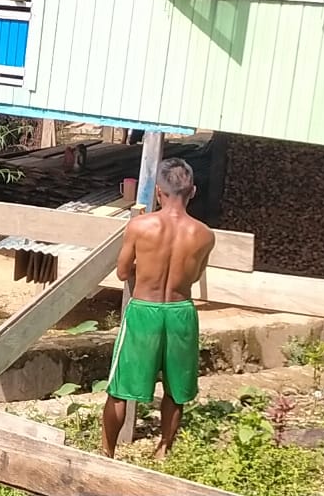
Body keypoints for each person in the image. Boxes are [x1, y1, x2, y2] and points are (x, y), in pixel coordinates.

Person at [101, 157, 216, 460]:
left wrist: (146, 269)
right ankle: (163, 449)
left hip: (144, 310)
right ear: (193, 191)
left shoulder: (140, 226)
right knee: (176, 388)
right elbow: (195, 276)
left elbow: (122, 272)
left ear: (158, 192)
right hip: (181, 312)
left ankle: (107, 452)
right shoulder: (204, 234)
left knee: (120, 388)